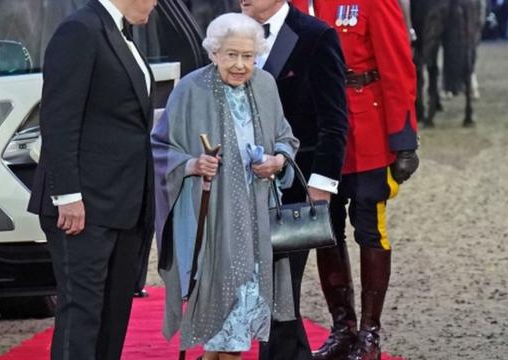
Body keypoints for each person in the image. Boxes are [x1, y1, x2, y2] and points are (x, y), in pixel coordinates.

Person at [151, 12, 299, 360]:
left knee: (231, 335)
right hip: (212, 223)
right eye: (231, 55)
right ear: (213, 53)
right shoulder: (190, 89)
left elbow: (285, 139)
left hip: (257, 223)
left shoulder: (265, 86)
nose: (239, 65)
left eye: (248, 56)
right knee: (226, 332)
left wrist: (277, 161)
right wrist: (192, 164)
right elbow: (159, 149)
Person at [27, 0, 157, 358]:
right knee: (82, 314)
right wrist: (67, 195)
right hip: (83, 207)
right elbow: (58, 119)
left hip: (124, 203)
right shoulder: (81, 30)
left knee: (113, 316)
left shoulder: (120, 33)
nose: (158, 3)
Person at [291, 0, 420, 359]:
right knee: (325, 230)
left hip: (365, 129)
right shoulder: (294, 3)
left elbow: (396, 64)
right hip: (314, 133)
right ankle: (342, 329)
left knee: (369, 229)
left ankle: (369, 334)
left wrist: (404, 137)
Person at [240, 1, 349, 359]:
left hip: (295, 190)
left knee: (279, 291)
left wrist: (321, 187)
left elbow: (334, 122)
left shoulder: (317, 37)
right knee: (271, 292)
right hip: (238, 188)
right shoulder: (229, 32)